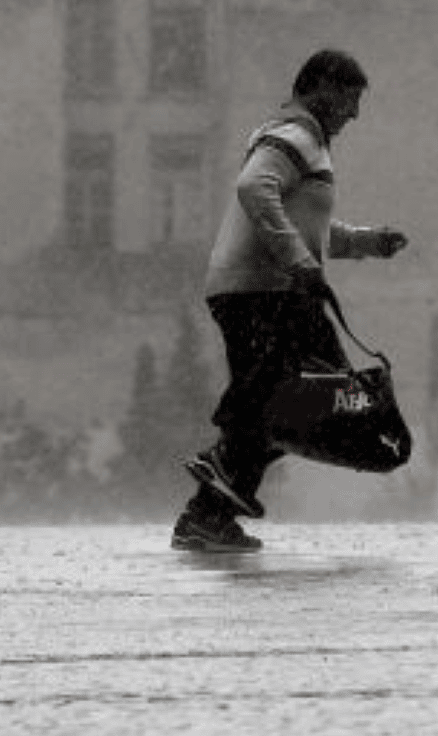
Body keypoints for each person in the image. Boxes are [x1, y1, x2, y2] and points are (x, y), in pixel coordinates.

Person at [173, 49, 409, 552]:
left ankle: (210, 505)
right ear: (320, 87)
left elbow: (309, 226)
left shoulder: (307, 142)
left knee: (294, 403)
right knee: (309, 404)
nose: (354, 114)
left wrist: (368, 242)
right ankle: (212, 494)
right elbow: (254, 190)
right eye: (349, 100)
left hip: (272, 291)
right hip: (262, 291)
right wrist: (299, 263)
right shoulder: (294, 134)